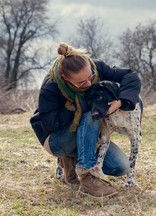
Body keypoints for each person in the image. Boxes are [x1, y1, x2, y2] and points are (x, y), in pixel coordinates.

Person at [30, 42, 141, 198]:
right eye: (82, 83)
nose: (89, 84)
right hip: (56, 139)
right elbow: (49, 125)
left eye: (91, 78)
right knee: (91, 113)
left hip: (87, 136)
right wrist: (79, 105)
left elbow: (131, 76)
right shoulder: (51, 86)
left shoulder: (96, 68)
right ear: (65, 78)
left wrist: (121, 101)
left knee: (121, 167)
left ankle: (73, 159)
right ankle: (87, 176)